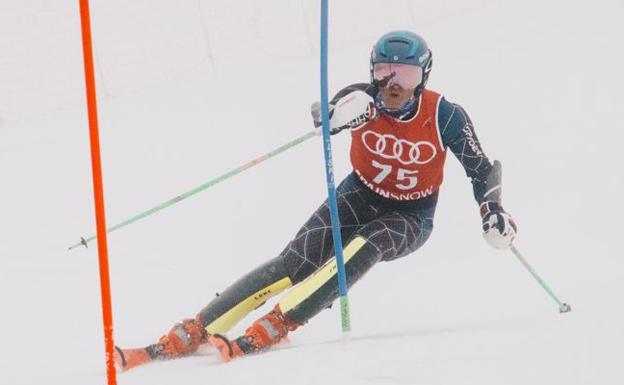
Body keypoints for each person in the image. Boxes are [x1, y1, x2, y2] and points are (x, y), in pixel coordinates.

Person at [114, 30, 517, 371]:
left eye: (407, 75)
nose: (394, 83)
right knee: (296, 262)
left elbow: (480, 167)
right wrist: (335, 116)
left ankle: (280, 321)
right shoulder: (363, 99)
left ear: (424, 76)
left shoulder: (445, 115)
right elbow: (324, 114)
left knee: (369, 241)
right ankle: (199, 326)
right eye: (384, 71)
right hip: (359, 193)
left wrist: (492, 210)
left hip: (411, 215)